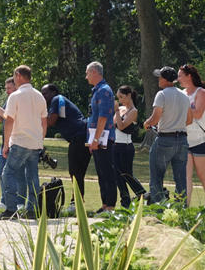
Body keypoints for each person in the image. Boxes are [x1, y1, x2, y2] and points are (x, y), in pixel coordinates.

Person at [0, 65, 48, 220]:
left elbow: (9, 121)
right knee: (32, 176)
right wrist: (40, 140)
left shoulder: (15, 97)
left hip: (20, 141)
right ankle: (31, 210)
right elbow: (44, 122)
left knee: (7, 173)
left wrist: (6, 144)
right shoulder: (39, 96)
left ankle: (10, 209)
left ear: (18, 76)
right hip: (35, 143)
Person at [143, 66, 192, 205]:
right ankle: (182, 210)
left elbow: (154, 119)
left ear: (165, 80)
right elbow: (189, 120)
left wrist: (146, 123)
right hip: (182, 140)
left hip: (165, 139)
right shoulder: (184, 95)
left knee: (157, 176)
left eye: (159, 77)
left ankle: (158, 209)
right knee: (181, 178)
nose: (158, 80)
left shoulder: (162, 94)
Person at [41, 84, 92, 214]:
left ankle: (76, 205)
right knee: (77, 172)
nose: (43, 96)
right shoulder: (57, 100)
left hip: (79, 137)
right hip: (81, 137)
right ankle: (77, 203)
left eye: (45, 93)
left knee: (75, 172)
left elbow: (51, 120)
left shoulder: (57, 99)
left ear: (53, 92)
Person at [178, 64, 205, 208]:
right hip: (185, 139)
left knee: (202, 174)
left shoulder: (201, 92)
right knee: (185, 176)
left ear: (189, 76)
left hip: (201, 139)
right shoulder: (181, 93)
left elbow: (198, 113)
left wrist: (181, 110)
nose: (178, 79)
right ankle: (185, 207)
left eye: (180, 76)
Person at [0, 77, 26, 211]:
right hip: (4, 144)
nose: (7, 91)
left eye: (9, 88)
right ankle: (4, 200)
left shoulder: (18, 100)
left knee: (19, 174)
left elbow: (9, 117)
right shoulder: (9, 100)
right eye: (6, 89)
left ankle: (20, 202)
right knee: (1, 172)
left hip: (15, 144)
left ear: (16, 87)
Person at [85, 62, 117, 213]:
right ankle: (104, 204)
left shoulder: (104, 91)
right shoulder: (97, 90)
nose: (86, 77)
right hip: (97, 138)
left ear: (93, 72)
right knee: (100, 172)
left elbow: (103, 117)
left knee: (107, 171)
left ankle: (110, 206)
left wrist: (96, 140)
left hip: (103, 138)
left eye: (87, 73)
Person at [112, 86, 147, 208]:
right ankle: (125, 202)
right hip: (115, 145)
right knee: (117, 176)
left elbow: (121, 126)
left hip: (126, 146)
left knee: (126, 174)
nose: (120, 100)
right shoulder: (120, 109)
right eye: (118, 97)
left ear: (129, 95)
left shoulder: (133, 111)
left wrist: (116, 111)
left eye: (121, 97)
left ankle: (142, 194)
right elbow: (112, 125)